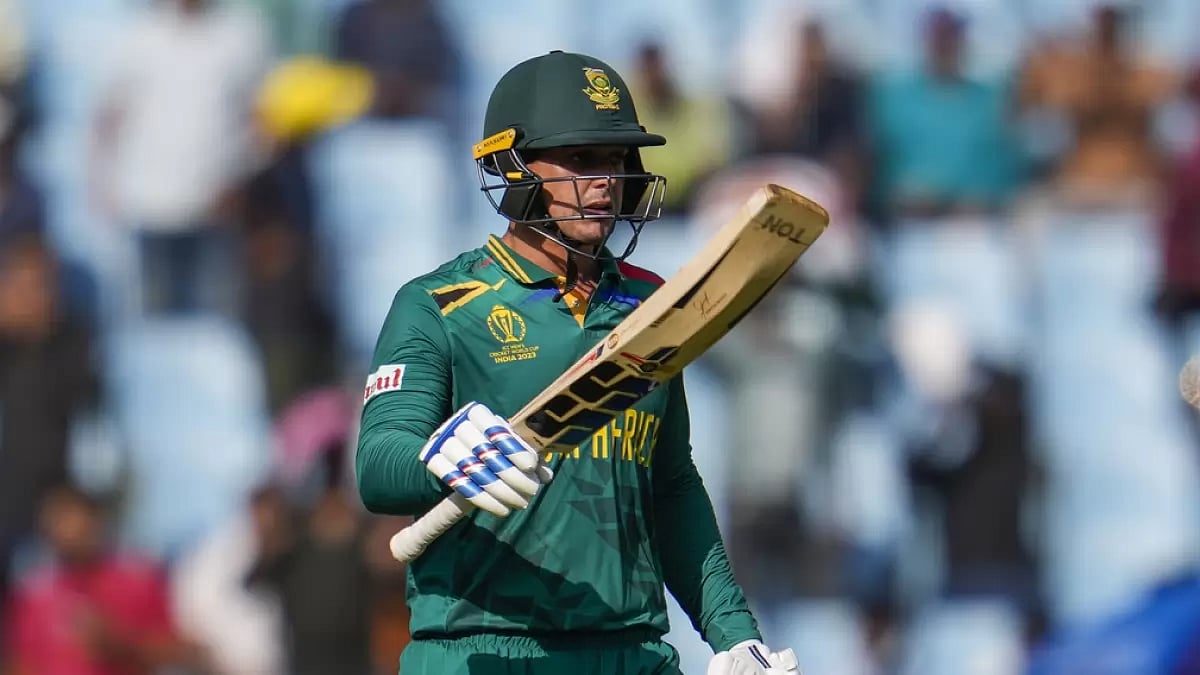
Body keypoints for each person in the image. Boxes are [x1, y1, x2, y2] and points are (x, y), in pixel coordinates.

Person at [356, 50, 800, 674]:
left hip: (632, 652)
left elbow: (670, 485)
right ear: (512, 168)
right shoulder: (440, 306)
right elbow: (377, 466)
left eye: (617, 161)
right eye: (581, 160)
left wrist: (733, 635)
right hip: (484, 652)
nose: (607, 181)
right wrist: (439, 458)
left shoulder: (654, 305)